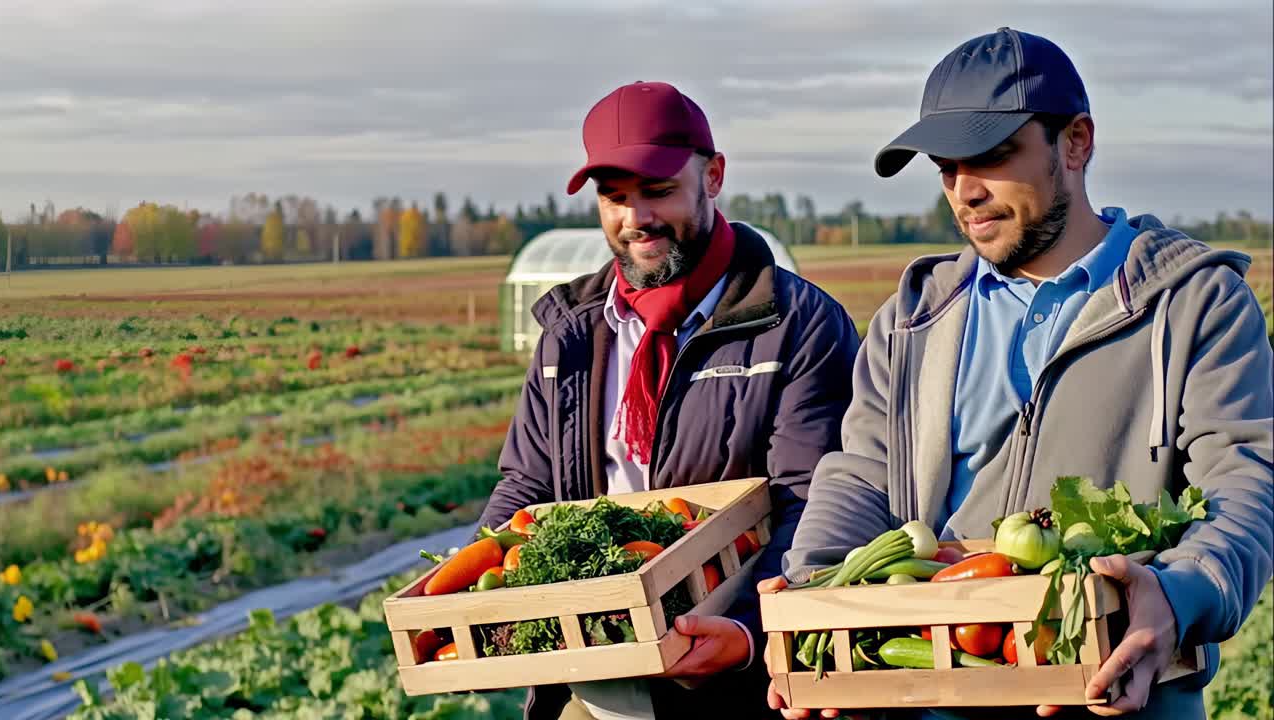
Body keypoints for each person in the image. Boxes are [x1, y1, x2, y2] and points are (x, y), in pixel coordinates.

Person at [764, 27, 1273, 720]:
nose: (965, 192)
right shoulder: (912, 319)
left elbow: (1245, 482)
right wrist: (815, 591)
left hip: (1116, 693)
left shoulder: (1194, 302)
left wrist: (1182, 593)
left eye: (993, 157)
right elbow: (862, 473)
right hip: (930, 696)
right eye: (946, 168)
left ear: (1076, 142)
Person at [478, 80, 861, 720]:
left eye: (657, 191)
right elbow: (527, 487)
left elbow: (813, 501)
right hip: (593, 674)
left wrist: (747, 632)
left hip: (734, 681)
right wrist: (471, 600)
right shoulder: (570, 332)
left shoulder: (798, 324)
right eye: (614, 198)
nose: (635, 219)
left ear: (713, 176)